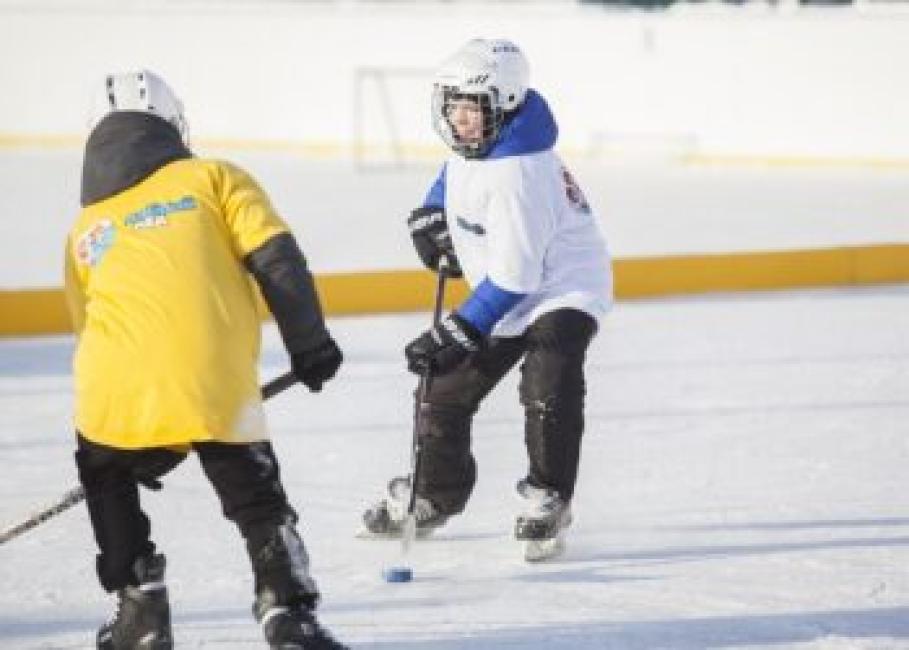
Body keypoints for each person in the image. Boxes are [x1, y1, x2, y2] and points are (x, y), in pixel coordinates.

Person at [65, 70, 348, 650]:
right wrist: (309, 343)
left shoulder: (83, 227)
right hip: (212, 381)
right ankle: (286, 607)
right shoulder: (214, 176)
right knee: (253, 491)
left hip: (112, 392)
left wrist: (151, 437)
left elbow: (93, 331)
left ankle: (139, 610)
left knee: (105, 470)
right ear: (173, 126)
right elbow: (277, 259)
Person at [360, 39, 612, 560]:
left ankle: (548, 497)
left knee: (548, 378)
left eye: (472, 111)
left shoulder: (520, 172)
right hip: (506, 285)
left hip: (561, 287)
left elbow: (517, 280)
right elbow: (452, 176)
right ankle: (433, 493)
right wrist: (432, 214)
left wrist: (456, 331)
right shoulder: (482, 144)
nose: (460, 123)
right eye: (453, 109)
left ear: (504, 107)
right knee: (444, 390)